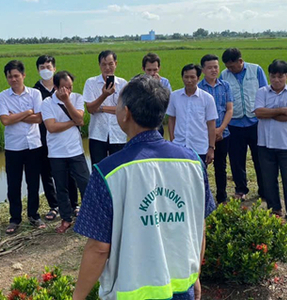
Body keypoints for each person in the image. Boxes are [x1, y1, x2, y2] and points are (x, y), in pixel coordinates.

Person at [73, 74, 216, 300]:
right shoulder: (192, 162)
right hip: (181, 288)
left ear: (126, 113)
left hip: (130, 291)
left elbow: (99, 247)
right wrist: (195, 274)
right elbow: (199, 225)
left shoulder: (108, 172)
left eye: (118, 103)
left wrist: (78, 296)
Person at [0, 60, 46, 234]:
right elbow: (5, 120)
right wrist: (27, 112)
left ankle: (33, 215)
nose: (13, 79)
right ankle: (15, 218)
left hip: (33, 144)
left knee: (33, 182)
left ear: (23, 76)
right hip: (13, 147)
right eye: (10, 76)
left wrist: (15, 116)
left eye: (16, 75)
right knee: (13, 184)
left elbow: (39, 118)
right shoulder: (2, 96)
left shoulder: (35, 94)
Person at [254, 60, 287, 228]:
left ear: (286, 76)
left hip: (286, 144)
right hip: (264, 143)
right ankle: (275, 210)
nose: (276, 80)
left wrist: (270, 112)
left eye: (280, 77)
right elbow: (259, 113)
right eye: (273, 76)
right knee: (269, 179)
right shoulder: (262, 92)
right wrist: (282, 109)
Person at [41, 71, 90, 234]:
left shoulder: (76, 98)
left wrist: (67, 100)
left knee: (85, 183)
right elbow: (51, 127)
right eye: (63, 88)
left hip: (75, 150)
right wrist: (72, 121)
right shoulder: (47, 103)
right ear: (55, 87)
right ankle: (66, 218)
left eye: (69, 87)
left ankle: (89, 216)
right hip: (56, 153)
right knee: (61, 187)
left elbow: (81, 118)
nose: (67, 91)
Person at [33, 55, 79, 221]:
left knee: (70, 173)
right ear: (38, 70)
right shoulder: (35, 91)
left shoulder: (63, 87)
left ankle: (75, 204)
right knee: (47, 173)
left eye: (48, 66)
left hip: (68, 140)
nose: (46, 70)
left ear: (54, 68)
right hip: (43, 137)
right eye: (42, 67)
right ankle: (55, 205)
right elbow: (37, 116)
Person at [221, 48, 268, 200]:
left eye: (232, 66)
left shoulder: (256, 70)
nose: (230, 69)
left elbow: (265, 92)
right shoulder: (224, 75)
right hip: (234, 123)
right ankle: (241, 189)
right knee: (236, 160)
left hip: (255, 122)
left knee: (260, 158)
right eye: (228, 66)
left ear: (240, 61)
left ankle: (264, 189)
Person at [198, 54, 234, 204]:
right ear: (203, 69)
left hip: (222, 133)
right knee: (201, 168)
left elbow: (229, 109)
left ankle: (222, 197)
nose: (213, 70)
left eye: (216, 67)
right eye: (210, 67)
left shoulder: (225, 86)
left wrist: (220, 129)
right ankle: (203, 199)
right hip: (203, 136)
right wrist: (211, 133)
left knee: (221, 167)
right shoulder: (198, 88)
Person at [167, 64, 217, 165]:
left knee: (199, 178)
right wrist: (173, 140)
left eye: (192, 77)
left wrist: (211, 147)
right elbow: (171, 119)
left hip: (199, 147)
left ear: (198, 78)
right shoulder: (174, 96)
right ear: (182, 78)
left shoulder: (207, 98)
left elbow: (211, 124)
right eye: (186, 77)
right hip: (179, 146)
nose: (189, 80)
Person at [83, 50, 127, 164]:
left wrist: (101, 108)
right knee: (99, 171)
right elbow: (90, 109)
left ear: (116, 64)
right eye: (104, 64)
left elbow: (124, 110)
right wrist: (104, 95)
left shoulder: (123, 84)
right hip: (97, 134)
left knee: (118, 170)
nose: (107, 67)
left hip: (118, 135)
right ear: (99, 65)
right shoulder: (90, 83)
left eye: (110, 64)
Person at [142, 52, 172, 136]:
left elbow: (168, 101)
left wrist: (158, 86)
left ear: (159, 68)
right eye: (149, 70)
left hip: (157, 122)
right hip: (141, 123)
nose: (152, 73)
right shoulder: (138, 82)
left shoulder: (164, 82)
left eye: (155, 70)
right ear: (143, 69)